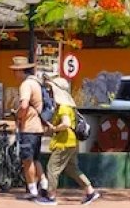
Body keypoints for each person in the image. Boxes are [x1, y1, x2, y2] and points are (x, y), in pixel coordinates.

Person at [44, 75, 99, 204]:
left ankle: (50, 196)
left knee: (52, 169)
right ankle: (90, 191)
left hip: (64, 142)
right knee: (71, 169)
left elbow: (66, 124)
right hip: (71, 142)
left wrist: (54, 129)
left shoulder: (63, 107)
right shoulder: (69, 106)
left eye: (51, 89)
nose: (49, 92)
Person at [11, 56, 56, 205]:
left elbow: (24, 106)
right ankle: (42, 184)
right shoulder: (37, 82)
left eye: (15, 71)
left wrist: (18, 116)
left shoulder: (26, 85)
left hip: (28, 127)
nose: (14, 74)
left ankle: (32, 191)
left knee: (27, 160)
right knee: (35, 158)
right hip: (38, 126)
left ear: (21, 71)